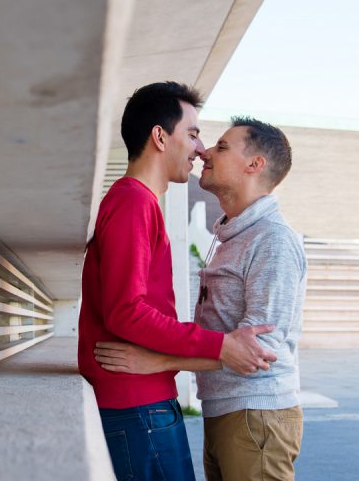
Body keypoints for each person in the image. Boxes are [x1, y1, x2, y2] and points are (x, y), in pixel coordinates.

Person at [78, 83, 278, 481]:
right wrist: (220, 345)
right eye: (192, 134)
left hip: (143, 402)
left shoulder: (138, 202)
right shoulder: (133, 202)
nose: (200, 149)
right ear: (159, 137)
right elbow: (126, 312)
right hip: (138, 406)